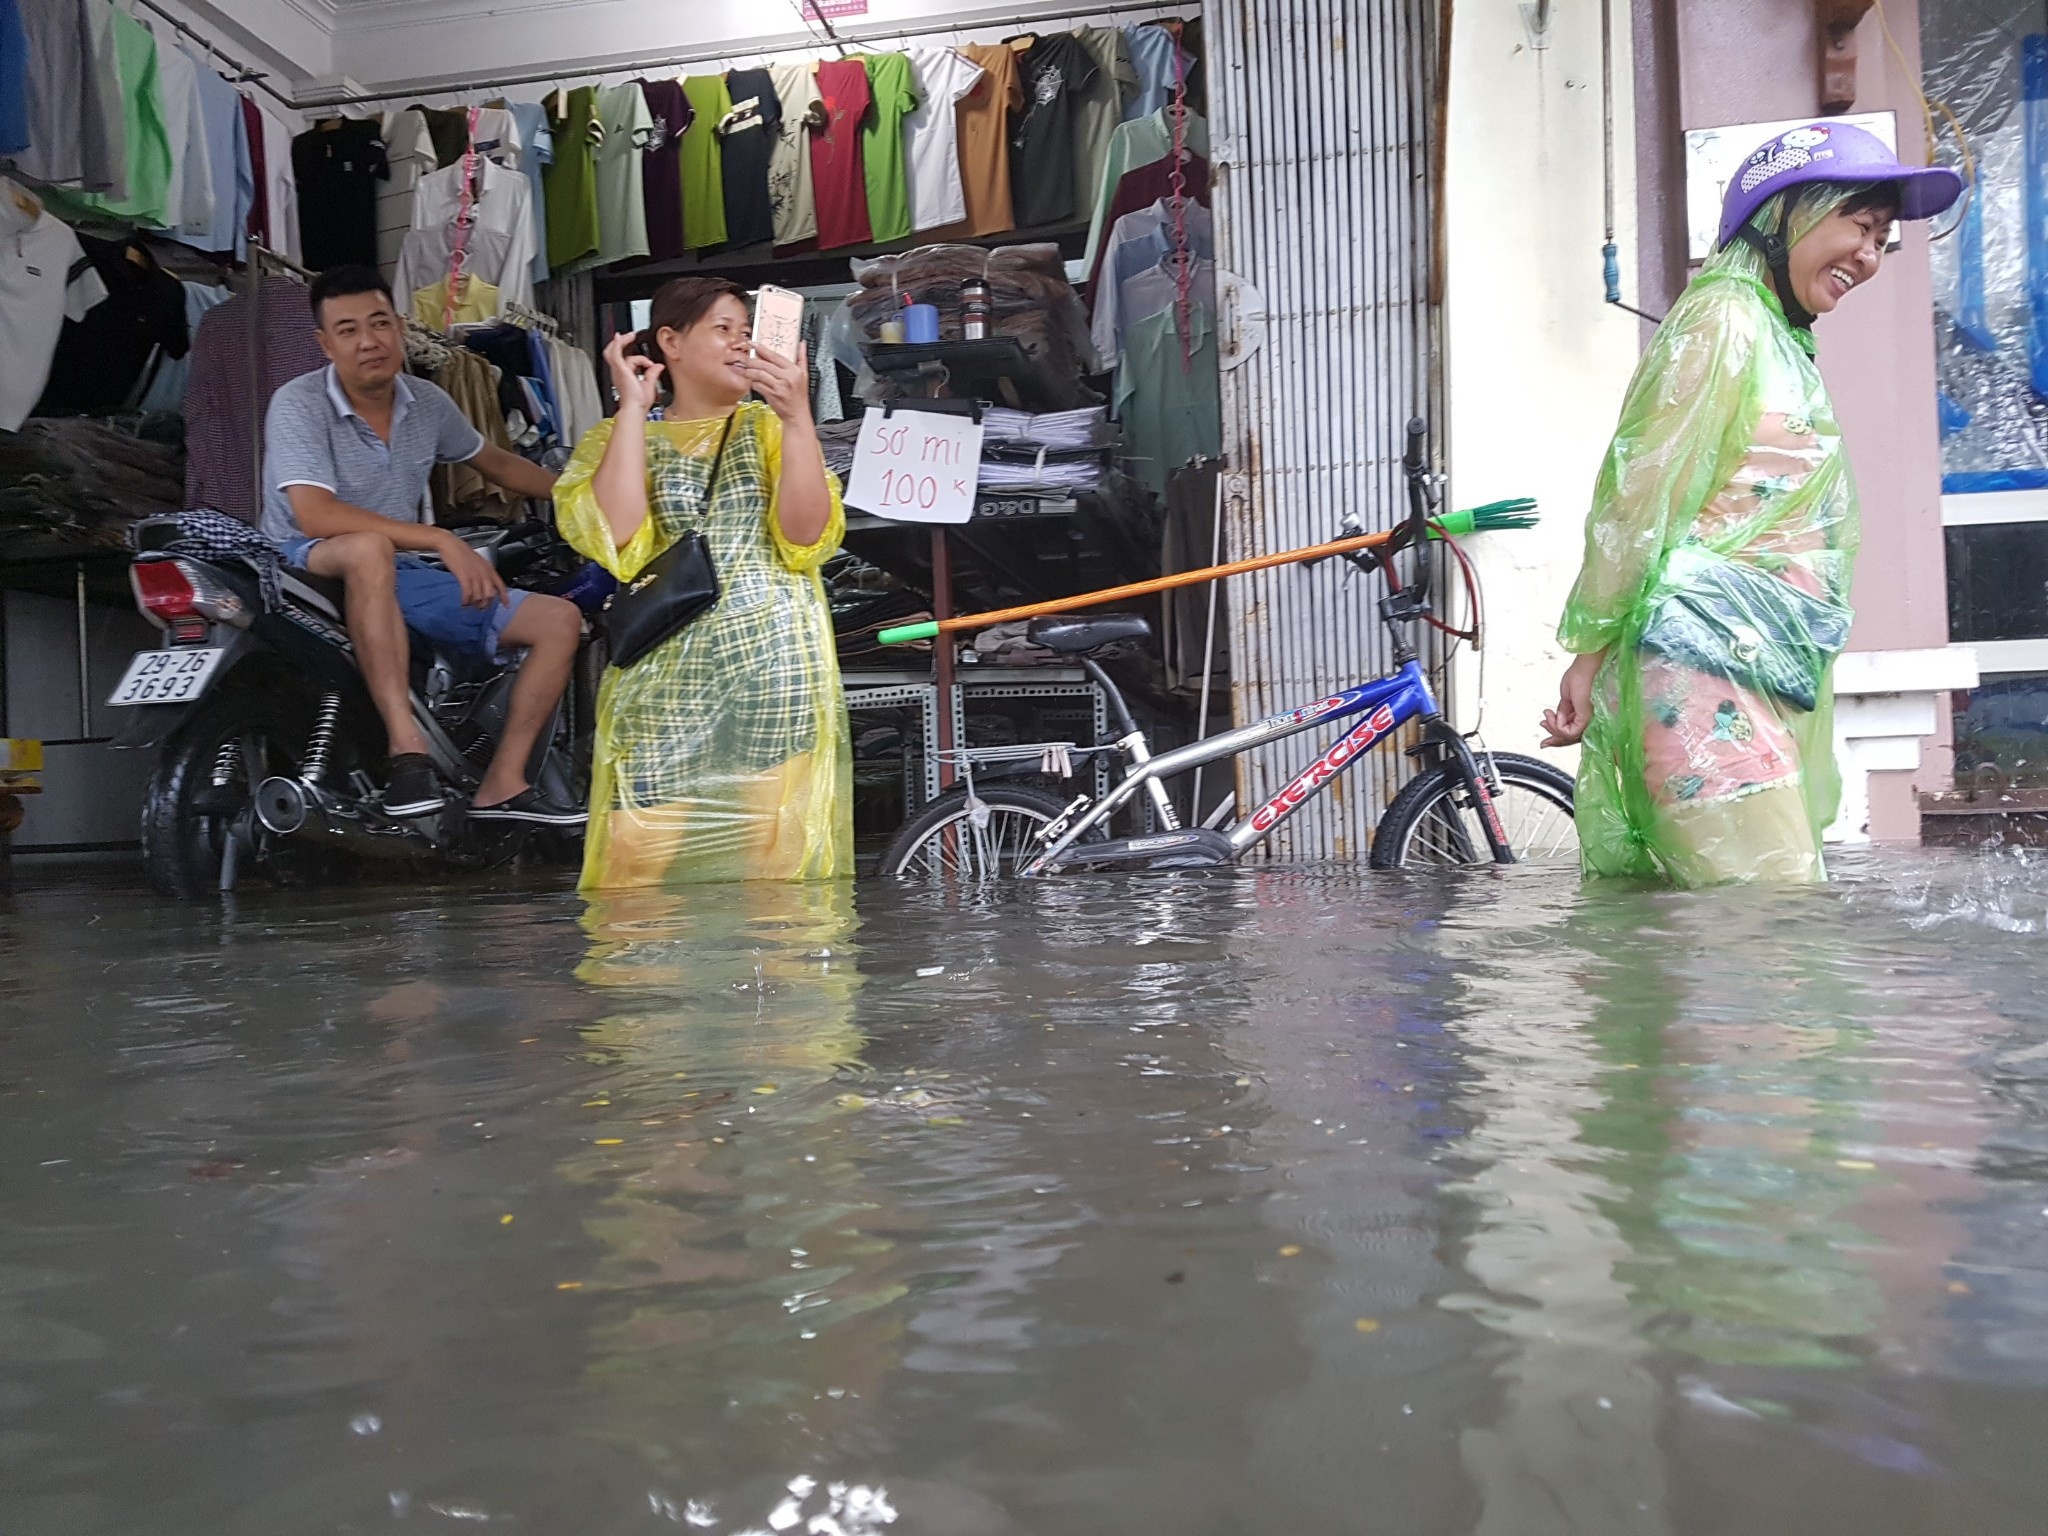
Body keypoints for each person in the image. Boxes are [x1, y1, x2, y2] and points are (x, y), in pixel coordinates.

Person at [1541, 124, 1961, 885]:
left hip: (1755, 668)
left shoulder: (1771, 335)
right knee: (1772, 919)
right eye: (1860, 226)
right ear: (1788, 212)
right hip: (1705, 671)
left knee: (1743, 940)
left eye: (1882, 240)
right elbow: (1642, 493)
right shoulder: (1723, 323)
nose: (1870, 256)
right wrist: (1590, 652)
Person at [552, 276, 850, 888]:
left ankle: (780, 987)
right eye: (724, 329)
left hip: (774, 682)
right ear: (671, 341)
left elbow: (805, 538)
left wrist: (796, 417)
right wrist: (633, 408)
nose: (742, 344)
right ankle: (648, 991)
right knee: (632, 875)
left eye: (749, 332)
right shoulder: (615, 438)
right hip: (665, 695)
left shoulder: (770, 429)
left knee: (777, 880)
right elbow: (615, 532)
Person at [260, 266, 585, 825]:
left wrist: (586, 495)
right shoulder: (298, 403)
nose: (369, 341)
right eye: (348, 330)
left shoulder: (427, 402)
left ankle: (502, 784)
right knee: (366, 548)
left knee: (559, 620)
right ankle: (406, 752)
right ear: (325, 343)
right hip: (300, 562)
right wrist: (440, 539)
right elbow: (314, 515)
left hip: (396, 569)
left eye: (380, 323)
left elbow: (498, 463)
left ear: (401, 327)